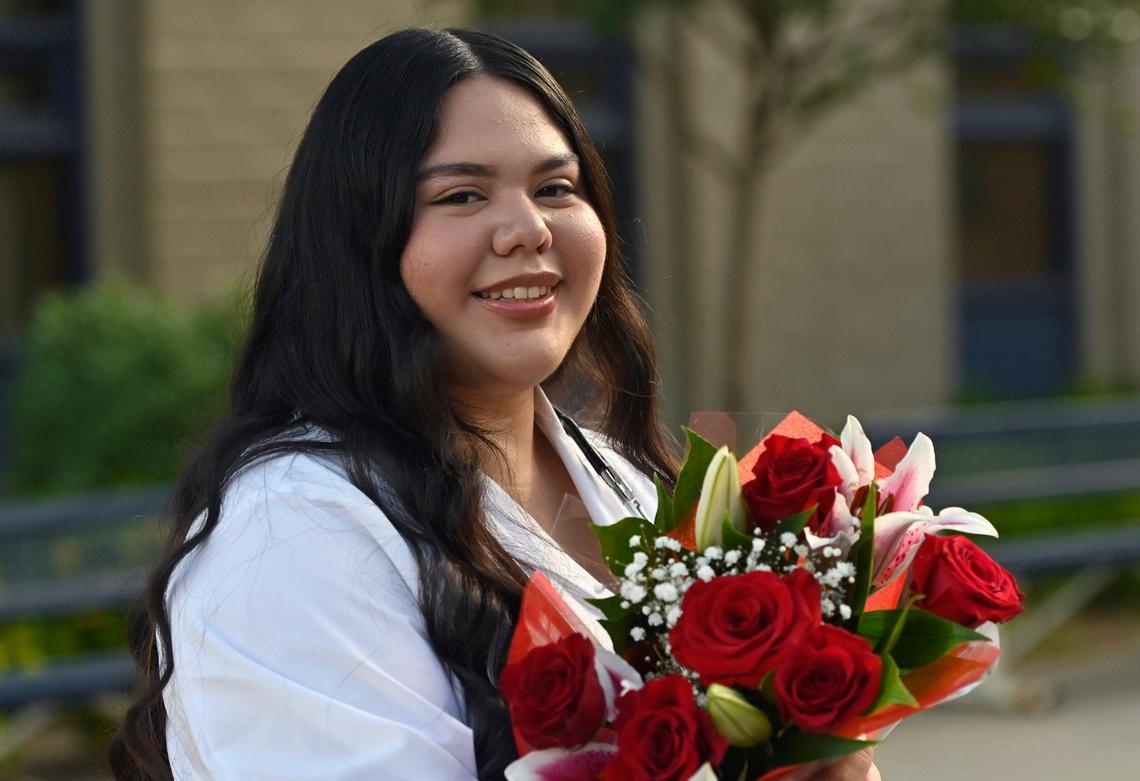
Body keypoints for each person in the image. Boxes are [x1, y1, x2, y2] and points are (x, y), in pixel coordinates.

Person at [108, 28, 880, 781]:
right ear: (359, 241)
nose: (527, 229)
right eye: (462, 194)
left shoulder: (624, 481)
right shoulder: (297, 533)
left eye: (556, 188)